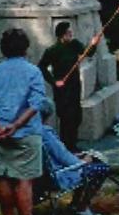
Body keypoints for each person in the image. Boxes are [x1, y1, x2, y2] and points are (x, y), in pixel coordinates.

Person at [0, 28, 47, 215]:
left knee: (3, 178)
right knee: (24, 180)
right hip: (26, 133)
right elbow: (36, 104)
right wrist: (15, 125)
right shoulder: (33, 72)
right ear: (25, 48)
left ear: (3, 50)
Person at [38, 102, 109, 215]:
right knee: (100, 168)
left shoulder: (29, 132)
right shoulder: (46, 133)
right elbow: (65, 159)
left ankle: (75, 204)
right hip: (57, 175)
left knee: (84, 164)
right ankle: (81, 207)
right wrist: (85, 159)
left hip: (41, 175)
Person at [38, 22, 100, 152]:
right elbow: (42, 66)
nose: (71, 34)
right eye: (68, 32)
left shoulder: (75, 44)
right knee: (66, 117)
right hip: (62, 89)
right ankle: (65, 146)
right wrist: (54, 81)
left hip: (75, 85)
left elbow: (88, 53)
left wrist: (94, 44)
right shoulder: (53, 50)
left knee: (77, 116)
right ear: (62, 35)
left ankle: (73, 144)